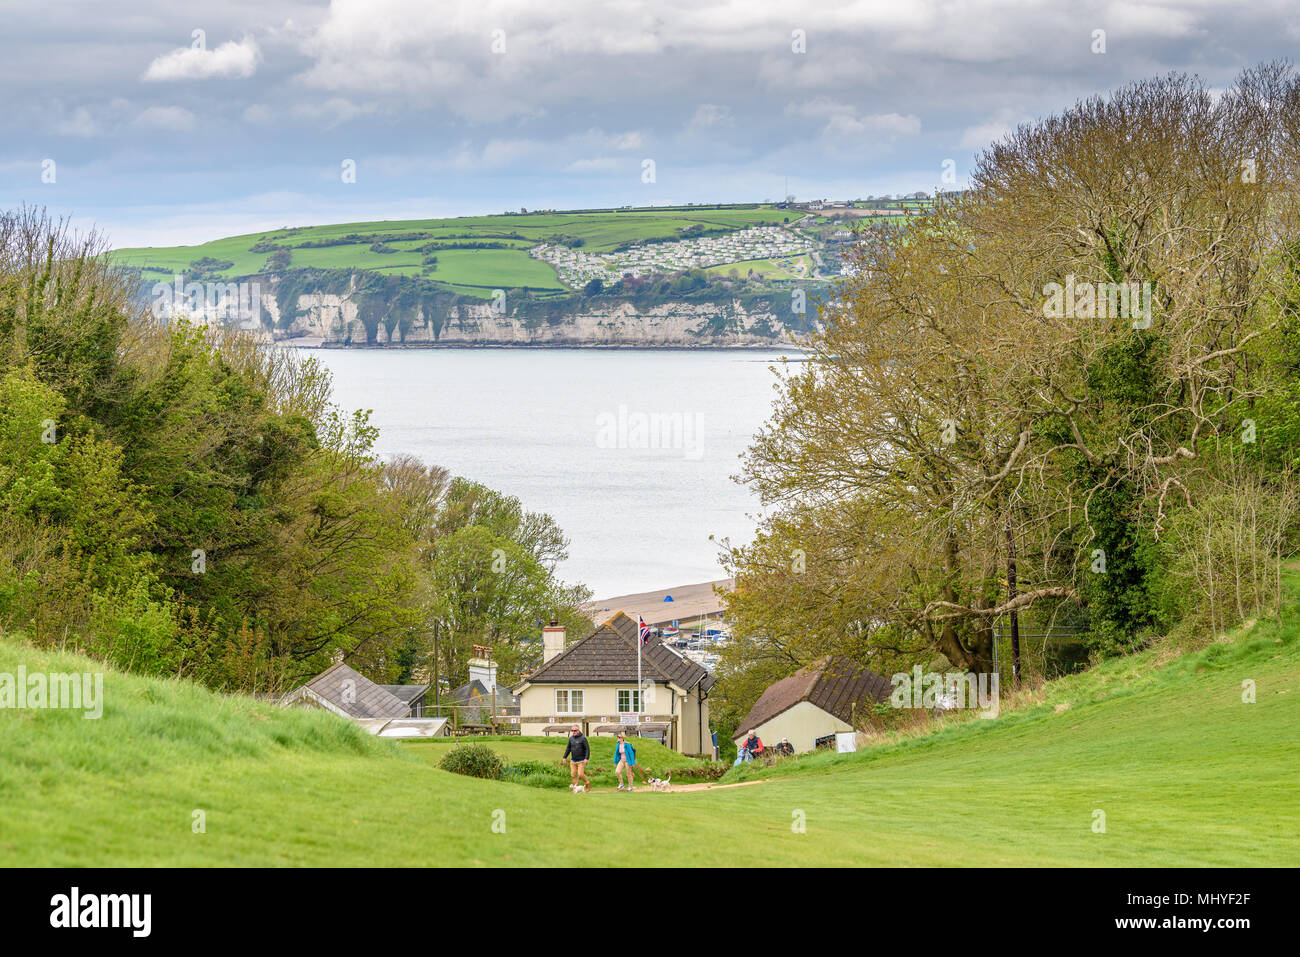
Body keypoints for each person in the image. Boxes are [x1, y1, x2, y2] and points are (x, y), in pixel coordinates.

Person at [562, 724, 591, 792]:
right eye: (572, 730)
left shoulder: (583, 738)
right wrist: (564, 757)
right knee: (573, 774)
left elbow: (587, 749)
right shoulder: (571, 739)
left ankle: (587, 784)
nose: (573, 732)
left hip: (581, 760)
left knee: (580, 774)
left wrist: (586, 758)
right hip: (573, 760)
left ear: (578, 730)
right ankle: (575, 789)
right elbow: (568, 748)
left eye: (575, 730)